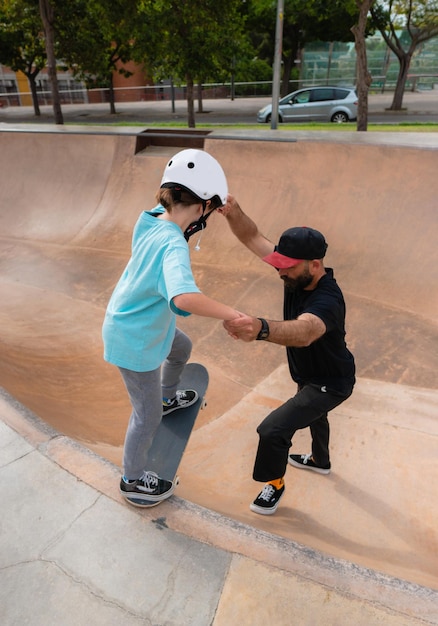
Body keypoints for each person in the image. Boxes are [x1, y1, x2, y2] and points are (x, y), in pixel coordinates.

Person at [102, 149, 242, 508]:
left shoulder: (150, 220)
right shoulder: (173, 245)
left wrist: (210, 200)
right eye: (207, 209)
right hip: (135, 342)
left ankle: (168, 395)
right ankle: (132, 479)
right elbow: (182, 299)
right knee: (147, 417)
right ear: (200, 208)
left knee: (181, 348)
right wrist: (230, 313)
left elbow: (178, 204)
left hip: (142, 322)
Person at [220, 196, 355, 516]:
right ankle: (320, 461)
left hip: (331, 383)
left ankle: (274, 484)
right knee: (316, 417)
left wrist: (261, 329)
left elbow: (307, 332)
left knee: (273, 430)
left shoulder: (328, 300)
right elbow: (252, 236)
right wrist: (233, 211)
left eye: (287, 268)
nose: (280, 272)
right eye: (279, 264)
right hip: (310, 375)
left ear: (315, 265)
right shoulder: (295, 268)